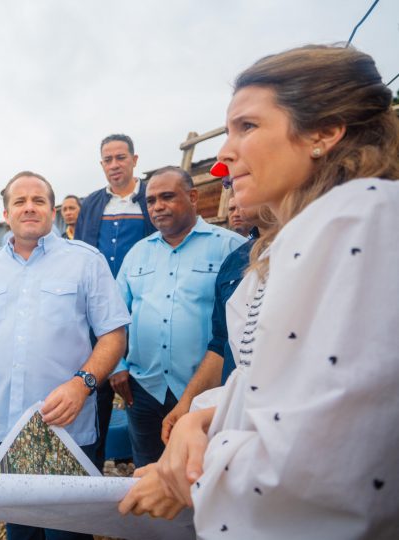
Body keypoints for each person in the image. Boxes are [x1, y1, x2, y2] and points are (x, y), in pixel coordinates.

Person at [119, 45, 399, 538]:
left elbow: (327, 467)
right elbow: (271, 384)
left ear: (323, 132)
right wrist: (198, 422)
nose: (225, 155)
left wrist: (187, 477)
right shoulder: (297, 239)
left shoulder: (360, 222)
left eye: (247, 127)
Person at [0, 171, 130, 540]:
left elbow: (114, 335)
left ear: (53, 211)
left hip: (68, 426)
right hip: (5, 426)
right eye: (20, 201)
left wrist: (82, 385)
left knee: (67, 531)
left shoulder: (86, 261)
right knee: (20, 527)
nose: (29, 207)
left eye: (38, 201)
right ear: (6, 214)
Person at [113, 166, 245, 467]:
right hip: (144, 387)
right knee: (147, 468)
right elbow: (116, 315)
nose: (158, 207)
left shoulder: (230, 247)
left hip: (205, 391)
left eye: (167, 197)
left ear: (193, 196)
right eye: (151, 201)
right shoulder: (137, 253)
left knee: (201, 470)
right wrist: (117, 366)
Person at [73, 134, 158, 467]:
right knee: (98, 390)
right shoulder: (92, 204)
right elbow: (80, 255)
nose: (114, 165)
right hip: (98, 313)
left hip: (144, 308)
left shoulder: (150, 197)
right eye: (107, 160)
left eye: (120, 157)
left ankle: (146, 468)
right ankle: (93, 470)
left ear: (135, 160)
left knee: (143, 392)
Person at [160, 201, 272, 444]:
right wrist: (188, 405)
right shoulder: (237, 259)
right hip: (233, 425)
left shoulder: (327, 248)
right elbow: (222, 343)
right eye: (228, 181)